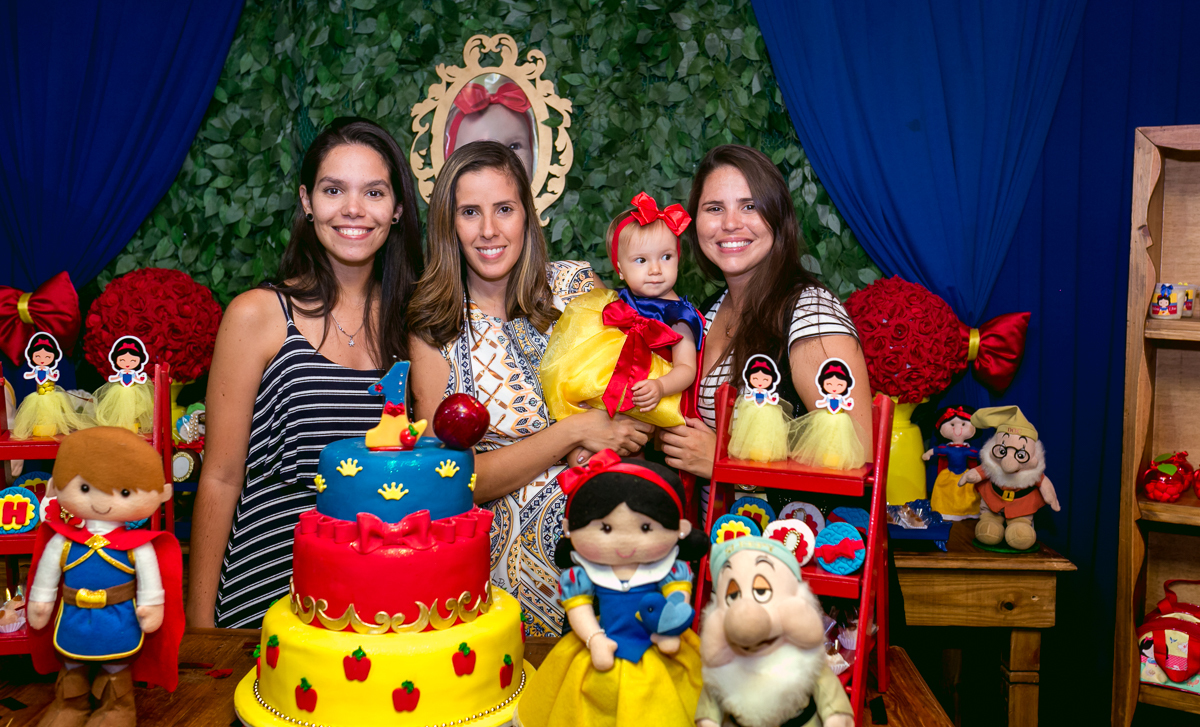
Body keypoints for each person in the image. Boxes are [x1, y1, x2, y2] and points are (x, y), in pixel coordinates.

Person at [407, 141, 653, 637]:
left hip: (610, 569)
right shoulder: (433, 327)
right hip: (495, 595)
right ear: (448, 224)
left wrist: (611, 433)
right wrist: (573, 433)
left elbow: (637, 410)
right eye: (470, 212)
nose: (489, 230)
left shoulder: (576, 288)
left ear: (527, 214)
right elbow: (451, 480)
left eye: (504, 209)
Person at [187, 117, 423, 628]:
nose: (353, 209)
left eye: (374, 192)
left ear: (398, 208)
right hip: (265, 594)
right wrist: (200, 628)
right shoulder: (258, 315)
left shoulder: (415, 325)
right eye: (334, 190)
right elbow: (221, 478)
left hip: (381, 604)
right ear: (307, 201)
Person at [658, 145, 872, 516]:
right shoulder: (706, 313)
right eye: (714, 208)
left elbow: (859, 462)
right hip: (720, 543)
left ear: (777, 216)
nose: (730, 223)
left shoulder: (810, 312)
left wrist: (725, 463)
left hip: (789, 546)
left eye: (750, 206)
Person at [514, 452, 706, 727]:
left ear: (680, 530)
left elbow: (677, 597)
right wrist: (594, 638)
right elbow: (579, 608)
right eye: (605, 528)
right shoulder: (583, 575)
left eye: (645, 527)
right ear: (569, 530)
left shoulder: (670, 569)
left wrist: (669, 628)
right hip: (603, 644)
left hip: (658, 643)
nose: (625, 542)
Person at [540, 191, 703, 429]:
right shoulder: (618, 301)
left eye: (666, 257)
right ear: (620, 269)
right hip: (622, 384)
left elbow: (687, 369)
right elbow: (600, 350)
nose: (656, 269)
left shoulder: (679, 316)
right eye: (641, 260)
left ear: (678, 258)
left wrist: (660, 387)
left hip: (655, 397)